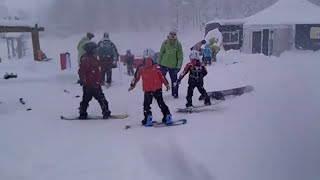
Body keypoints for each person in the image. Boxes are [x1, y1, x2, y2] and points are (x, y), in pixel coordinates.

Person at [128, 48, 172, 126]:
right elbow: (162, 76)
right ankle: (167, 116)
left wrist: (132, 85)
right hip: (157, 88)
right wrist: (166, 84)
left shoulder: (141, 68)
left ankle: (148, 117)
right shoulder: (156, 66)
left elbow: (136, 77)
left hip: (148, 89)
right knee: (161, 102)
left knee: (147, 104)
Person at [78, 41, 111, 119]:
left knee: (87, 100)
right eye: (94, 50)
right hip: (91, 84)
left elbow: (99, 63)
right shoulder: (86, 59)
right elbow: (82, 71)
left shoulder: (91, 58)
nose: (96, 51)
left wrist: (109, 64)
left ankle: (83, 113)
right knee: (100, 99)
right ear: (90, 50)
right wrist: (83, 80)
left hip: (92, 84)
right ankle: (105, 113)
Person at [158, 30, 183, 98]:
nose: (172, 38)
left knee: (174, 81)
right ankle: (157, 93)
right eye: (171, 36)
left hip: (173, 66)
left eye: (173, 36)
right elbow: (161, 53)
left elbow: (180, 56)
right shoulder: (165, 43)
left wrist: (178, 67)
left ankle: (175, 94)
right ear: (168, 36)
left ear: (175, 37)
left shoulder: (178, 44)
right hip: (163, 65)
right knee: (160, 79)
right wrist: (158, 64)